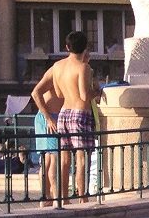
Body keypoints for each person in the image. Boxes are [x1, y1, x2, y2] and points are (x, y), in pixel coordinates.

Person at [30, 30, 101, 206]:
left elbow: (60, 92)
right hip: (79, 114)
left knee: (63, 158)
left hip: (63, 114)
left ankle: (61, 197)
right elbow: (85, 96)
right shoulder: (84, 67)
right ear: (86, 47)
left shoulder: (58, 66)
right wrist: (98, 91)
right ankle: (83, 197)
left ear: (67, 47)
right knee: (82, 157)